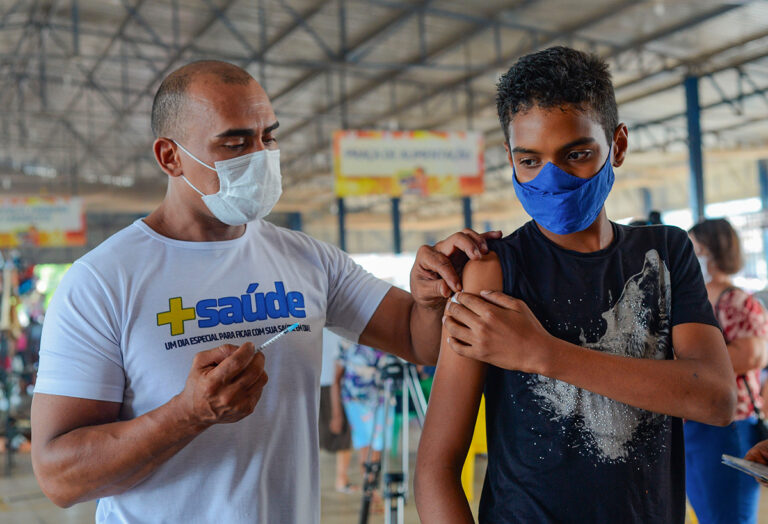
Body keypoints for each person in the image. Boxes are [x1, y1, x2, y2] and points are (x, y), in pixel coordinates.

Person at [30, 60, 499, 524]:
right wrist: (188, 414)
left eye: (267, 137)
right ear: (170, 157)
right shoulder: (102, 282)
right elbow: (60, 478)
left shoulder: (309, 260)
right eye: (234, 143)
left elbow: (417, 340)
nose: (259, 156)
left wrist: (430, 297)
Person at [415, 46, 737, 524]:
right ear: (509, 159)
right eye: (529, 161)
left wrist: (544, 355)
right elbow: (436, 469)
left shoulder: (664, 254)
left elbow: (715, 398)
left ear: (618, 146)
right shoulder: (493, 272)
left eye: (578, 155)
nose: (553, 179)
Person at [685, 218, 768, 524]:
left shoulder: (737, 302)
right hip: (694, 423)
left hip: (730, 423)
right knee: (708, 513)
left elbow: (752, 355)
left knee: (729, 516)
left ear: (709, 251)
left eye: (695, 248)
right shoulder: (692, 300)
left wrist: (687, 364)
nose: (690, 256)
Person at [318, 329, 355, 493]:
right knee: (315, 435)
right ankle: (313, 481)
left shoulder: (339, 325)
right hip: (319, 382)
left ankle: (341, 478)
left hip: (336, 383)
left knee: (344, 434)